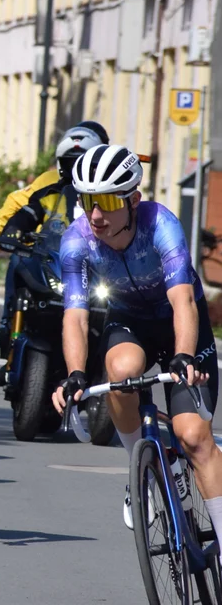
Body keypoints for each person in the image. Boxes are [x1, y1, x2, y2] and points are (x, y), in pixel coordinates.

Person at [52, 144, 222, 534]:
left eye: (108, 201)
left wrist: (183, 355)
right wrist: (76, 373)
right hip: (130, 324)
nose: (96, 215)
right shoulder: (77, 240)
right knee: (120, 370)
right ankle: (140, 473)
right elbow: (75, 316)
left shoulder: (161, 223)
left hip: (181, 326)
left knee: (194, 437)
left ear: (133, 200)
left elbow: (182, 301)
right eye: (88, 201)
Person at [0, 125, 103, 386]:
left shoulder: (110, 191)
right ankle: (8, 331)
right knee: (19, 260)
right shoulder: (49, 183)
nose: (75, 170)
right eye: (70, 163)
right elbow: (24, 205)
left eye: (82, 163)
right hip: (51, 255)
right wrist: (5, 230)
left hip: (95, 264)